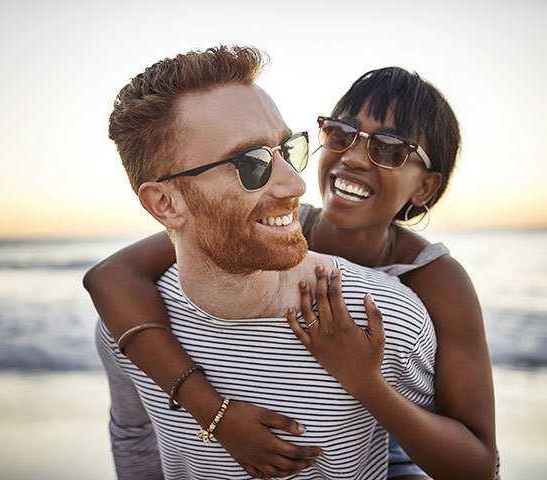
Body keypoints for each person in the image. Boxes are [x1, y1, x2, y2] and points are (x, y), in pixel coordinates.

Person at [90, 45, 444, 480]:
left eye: (288, 149)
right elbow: (134, 435)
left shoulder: (386, 318)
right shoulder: (127, 326)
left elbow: (449, 465)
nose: (295, 183)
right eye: (250, 163)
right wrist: (212, 413)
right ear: (164, 203)